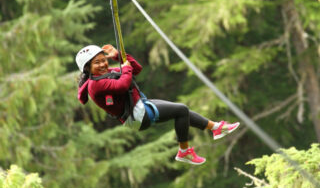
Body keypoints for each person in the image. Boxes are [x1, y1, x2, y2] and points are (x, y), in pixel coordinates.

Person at [76, 44, 240, 165]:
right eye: (97, 63)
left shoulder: (107, 73)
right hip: (137, 116)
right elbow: (122, 85)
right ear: (87, 69)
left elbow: (136, 69)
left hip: (141, 105)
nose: (103, 64)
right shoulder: (95, 85)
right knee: (181, 110)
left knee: (182, 112)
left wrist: (120, 57)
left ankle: (215, 128)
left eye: (104, 60)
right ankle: (184, 151)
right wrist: (125, 69)